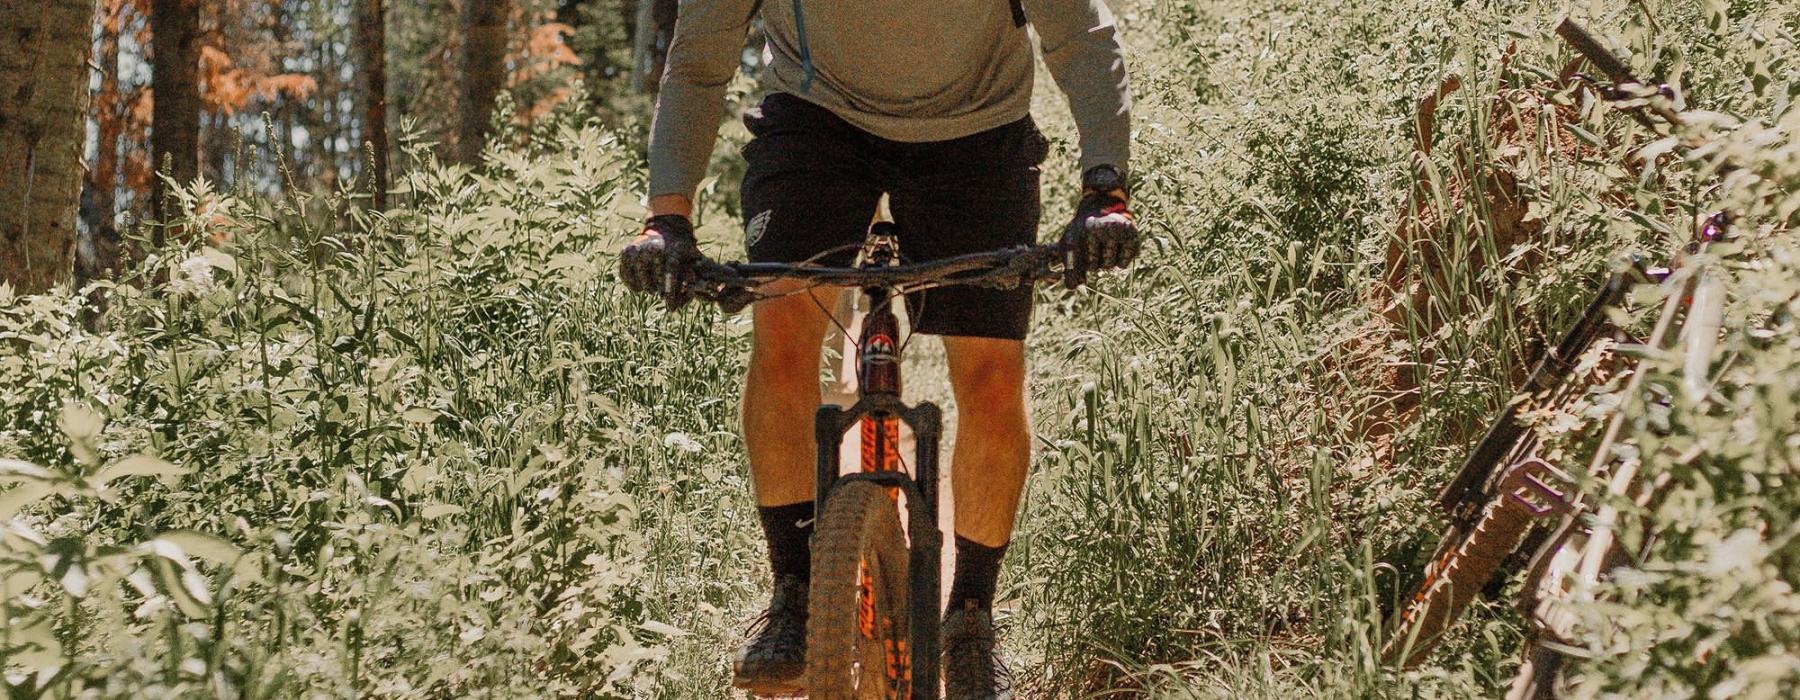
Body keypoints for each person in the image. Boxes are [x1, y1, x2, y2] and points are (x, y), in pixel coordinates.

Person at [618, 0, 1138, 696]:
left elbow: (1082, 36)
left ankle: (971, 619)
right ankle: (796, 592)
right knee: (781, 331)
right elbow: (700, 58)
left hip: (976, 128)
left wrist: (1105, 189)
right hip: (817, 120)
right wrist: (667, 218)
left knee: (988, 373)